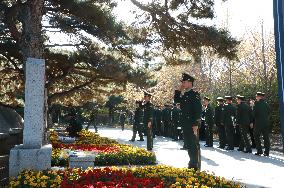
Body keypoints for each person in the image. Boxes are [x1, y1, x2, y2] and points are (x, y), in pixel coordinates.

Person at [174, 73, 202, 170]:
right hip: (185, 124)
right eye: (182, 82)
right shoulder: (185, 94)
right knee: (189, 145)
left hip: (192, 125)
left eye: (184, 82)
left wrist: (196, 124)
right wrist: (179, 89)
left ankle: (195, 166)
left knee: (193, 145)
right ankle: (192, 163)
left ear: (190, 83)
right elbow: (176, 100)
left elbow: (198, 110)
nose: (183, 84)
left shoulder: (194, 94)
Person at [253, 92, 271, 156]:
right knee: (266, 137)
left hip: (258, 123)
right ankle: (267, 152)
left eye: (256, 96)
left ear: (259, 97)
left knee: (256, 136)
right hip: (266, 123)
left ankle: (259, 151)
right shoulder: (266, 104)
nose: (256, 97)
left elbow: (254, 114)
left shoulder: (256, 104)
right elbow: (269, 112)